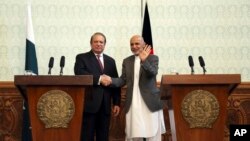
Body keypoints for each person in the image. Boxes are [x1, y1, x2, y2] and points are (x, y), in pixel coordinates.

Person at [102, 35, 166, 141]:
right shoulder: (127, 61)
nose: (134, 46)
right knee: (134, 133)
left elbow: (152, 73)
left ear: (144, 45)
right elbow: (123, 80)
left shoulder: (153, 58)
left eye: (137, 44)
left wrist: (144, 61)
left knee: (153, 133)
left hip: (150, 102)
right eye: (132, 44)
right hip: (133, 102)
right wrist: (111, 80)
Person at [74, 32, 121, 141]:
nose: (99, 44)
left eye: (101, 42)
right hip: (89, 105)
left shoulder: (111, 61)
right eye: (96, 42)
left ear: (105, 44)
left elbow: (115, 83)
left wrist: (117, 103)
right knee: (86, 136)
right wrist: (100, 79)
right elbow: (79, 73)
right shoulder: (82, 58)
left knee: (103, 136)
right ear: (91, 43)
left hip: (105, 106)